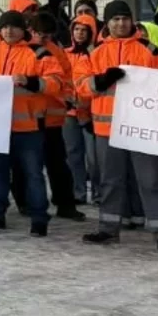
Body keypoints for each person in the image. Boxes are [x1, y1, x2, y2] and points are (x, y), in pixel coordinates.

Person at [79, 0, 158, 253]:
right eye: (115, 19)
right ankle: (108, 228)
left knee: (151, 180)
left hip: (142, 129)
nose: (120, 23)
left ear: (132, 20)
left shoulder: (151, 51)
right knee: (110, 181)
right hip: (107, 130)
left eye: (125, 18)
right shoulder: (94, 52)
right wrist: (101, 80)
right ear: (107, 22)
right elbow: (80, 86)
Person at [0, 11, 60, 236]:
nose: (8, 31)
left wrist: (31, 82)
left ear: (24, 30)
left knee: (32, 174)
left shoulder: (39, 54)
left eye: (13, 26)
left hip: (29, 127)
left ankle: (39, 218)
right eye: (4, 27)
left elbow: (57, 83)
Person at [29, 11, 87, 221]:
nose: (41, 38)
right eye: (38, 34)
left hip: (52, 118)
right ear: (31, 31)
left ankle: (65, 203)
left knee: (57, 165)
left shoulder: (56, 52)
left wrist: (68, 100)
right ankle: (29, 203)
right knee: (29, 164)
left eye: (46, 35)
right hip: (29, 118)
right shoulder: (26, 50)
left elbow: (67, 80)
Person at [64, 14, 100, 207]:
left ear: (91, 33)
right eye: (76, 29)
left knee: (94, 158)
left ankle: (98, 192)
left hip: (91, 112)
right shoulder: (65, 54)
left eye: (84, 30)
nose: (79, 33)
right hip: (69, 112)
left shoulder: (96, 54)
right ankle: (78, 192)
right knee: (73, 155)